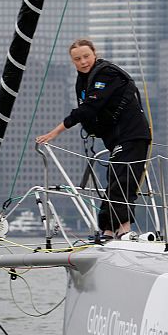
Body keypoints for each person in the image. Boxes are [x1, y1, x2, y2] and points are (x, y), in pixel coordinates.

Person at [36, 39, 151, 240]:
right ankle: (107, 229)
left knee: (123, 180)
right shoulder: (83, 80)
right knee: (113, 180)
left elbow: (89, 107)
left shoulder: (106, 73)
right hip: (116, 138)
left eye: (86, 56)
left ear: (94, 53)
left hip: (133, 134)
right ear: (73, 62)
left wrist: (55, 132)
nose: (83, 61)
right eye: (77, 59)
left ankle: (124, 228)